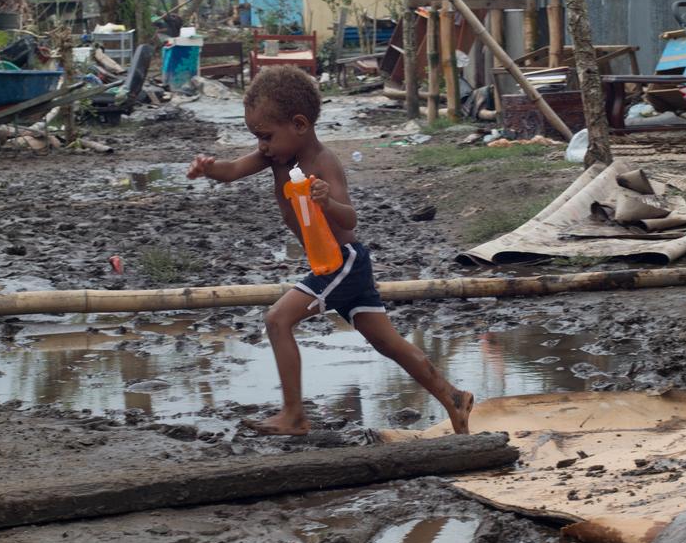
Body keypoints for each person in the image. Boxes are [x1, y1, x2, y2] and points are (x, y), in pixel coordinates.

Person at [187, 65, 475, 435]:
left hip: (342, 263)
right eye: (256, 137)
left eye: (266, 136)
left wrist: (326, 201)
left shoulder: (323, 163)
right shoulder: (276, 156)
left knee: (277, 320)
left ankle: (294, 415)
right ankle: (453, 397)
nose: (261, 145)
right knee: (388, 343)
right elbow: (231, 170)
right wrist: (207, 169)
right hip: (338, 265)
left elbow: (350, 219)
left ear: (300, 125)